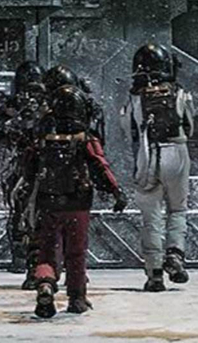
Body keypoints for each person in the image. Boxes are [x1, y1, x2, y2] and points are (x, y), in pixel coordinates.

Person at [23, 85, 127, 318]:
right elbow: (100, 166)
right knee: (76, 252)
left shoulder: (43, 138)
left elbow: (29, 169)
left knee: (47, 250)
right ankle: (77, 297)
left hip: (48, 201)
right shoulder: (85, 138)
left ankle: (45, 283)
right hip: (77, 202)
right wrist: (116, 192)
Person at [120, 43, 194, 292]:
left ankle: (154, 273)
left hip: (148, 153)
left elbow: (127, 130)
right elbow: (190, 125)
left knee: (150, 217)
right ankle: (175, 254)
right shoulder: (180, 93)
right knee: (177, 209)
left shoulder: (134, 98)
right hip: (178, 151)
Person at [0, 60, 49, 288]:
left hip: (46, 166)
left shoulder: (51, 104)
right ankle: (24, 258)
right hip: (23, 167)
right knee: (21, 213)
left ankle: (42, 262)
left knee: (45, 215)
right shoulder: (13, 106)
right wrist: (13, 119)